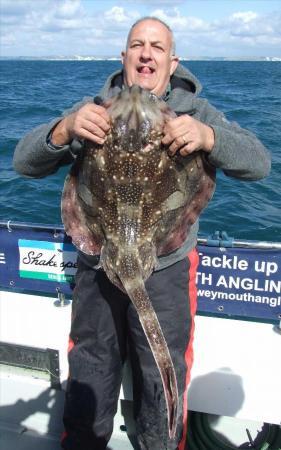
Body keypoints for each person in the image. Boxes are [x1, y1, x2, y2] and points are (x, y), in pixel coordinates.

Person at [13, 16, 270, 450]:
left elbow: (259, 163)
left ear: (172, 62)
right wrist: (64, 129)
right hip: (99, 264)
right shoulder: (93, 111)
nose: (146, 53)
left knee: (162, 376)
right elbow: (24, 161)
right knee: (90, 371)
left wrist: (208, 136)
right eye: (137, 45)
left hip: (165, 267)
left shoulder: (196, 113)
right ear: (124, 57)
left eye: (156, 46)